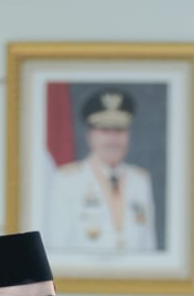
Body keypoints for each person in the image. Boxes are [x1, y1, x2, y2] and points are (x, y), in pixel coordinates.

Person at [47, 87, 157, 252]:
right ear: (90, 136)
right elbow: (58, 246)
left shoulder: (140, 181)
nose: (113, 139)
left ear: (128, 135)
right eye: (105, 131)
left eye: (119, 130)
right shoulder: (66, 181)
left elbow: (150, 246)